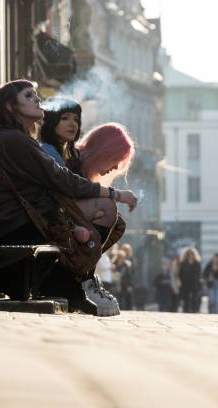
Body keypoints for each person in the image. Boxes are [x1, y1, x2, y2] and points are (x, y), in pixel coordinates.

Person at [0, 79, 138, 315]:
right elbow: (61, 180)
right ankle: (68, 281)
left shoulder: (0, 139)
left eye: (36, 94)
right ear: (9, 107)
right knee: (107, 208)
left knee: (105, 216)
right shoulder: (14, 140)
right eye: (28, 96)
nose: (37, 99)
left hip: (2, 226)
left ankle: (70, 280)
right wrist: (115, 194)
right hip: (15, 228)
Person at [40, 97, 134, 316]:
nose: (73, 124)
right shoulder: (55, 153)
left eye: (76, 119)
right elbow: (67, 188)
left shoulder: (68, 153)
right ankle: (79, 277)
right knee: (109, 209)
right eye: (65, 118)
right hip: (53, 216)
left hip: (63, 214)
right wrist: (115, 194)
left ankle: (81, 276)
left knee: (117, 221)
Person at [178, 247, 202, 313]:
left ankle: (195, 311)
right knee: (186, 299)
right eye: (188, 254)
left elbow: (199, 274)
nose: (190, 255)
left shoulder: (197, 263)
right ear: (186, 255)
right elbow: (180, 274)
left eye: (192, 254)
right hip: (185, 283)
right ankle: (186, 311)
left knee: (195, 298)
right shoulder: (183, 263)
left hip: (195, 283)